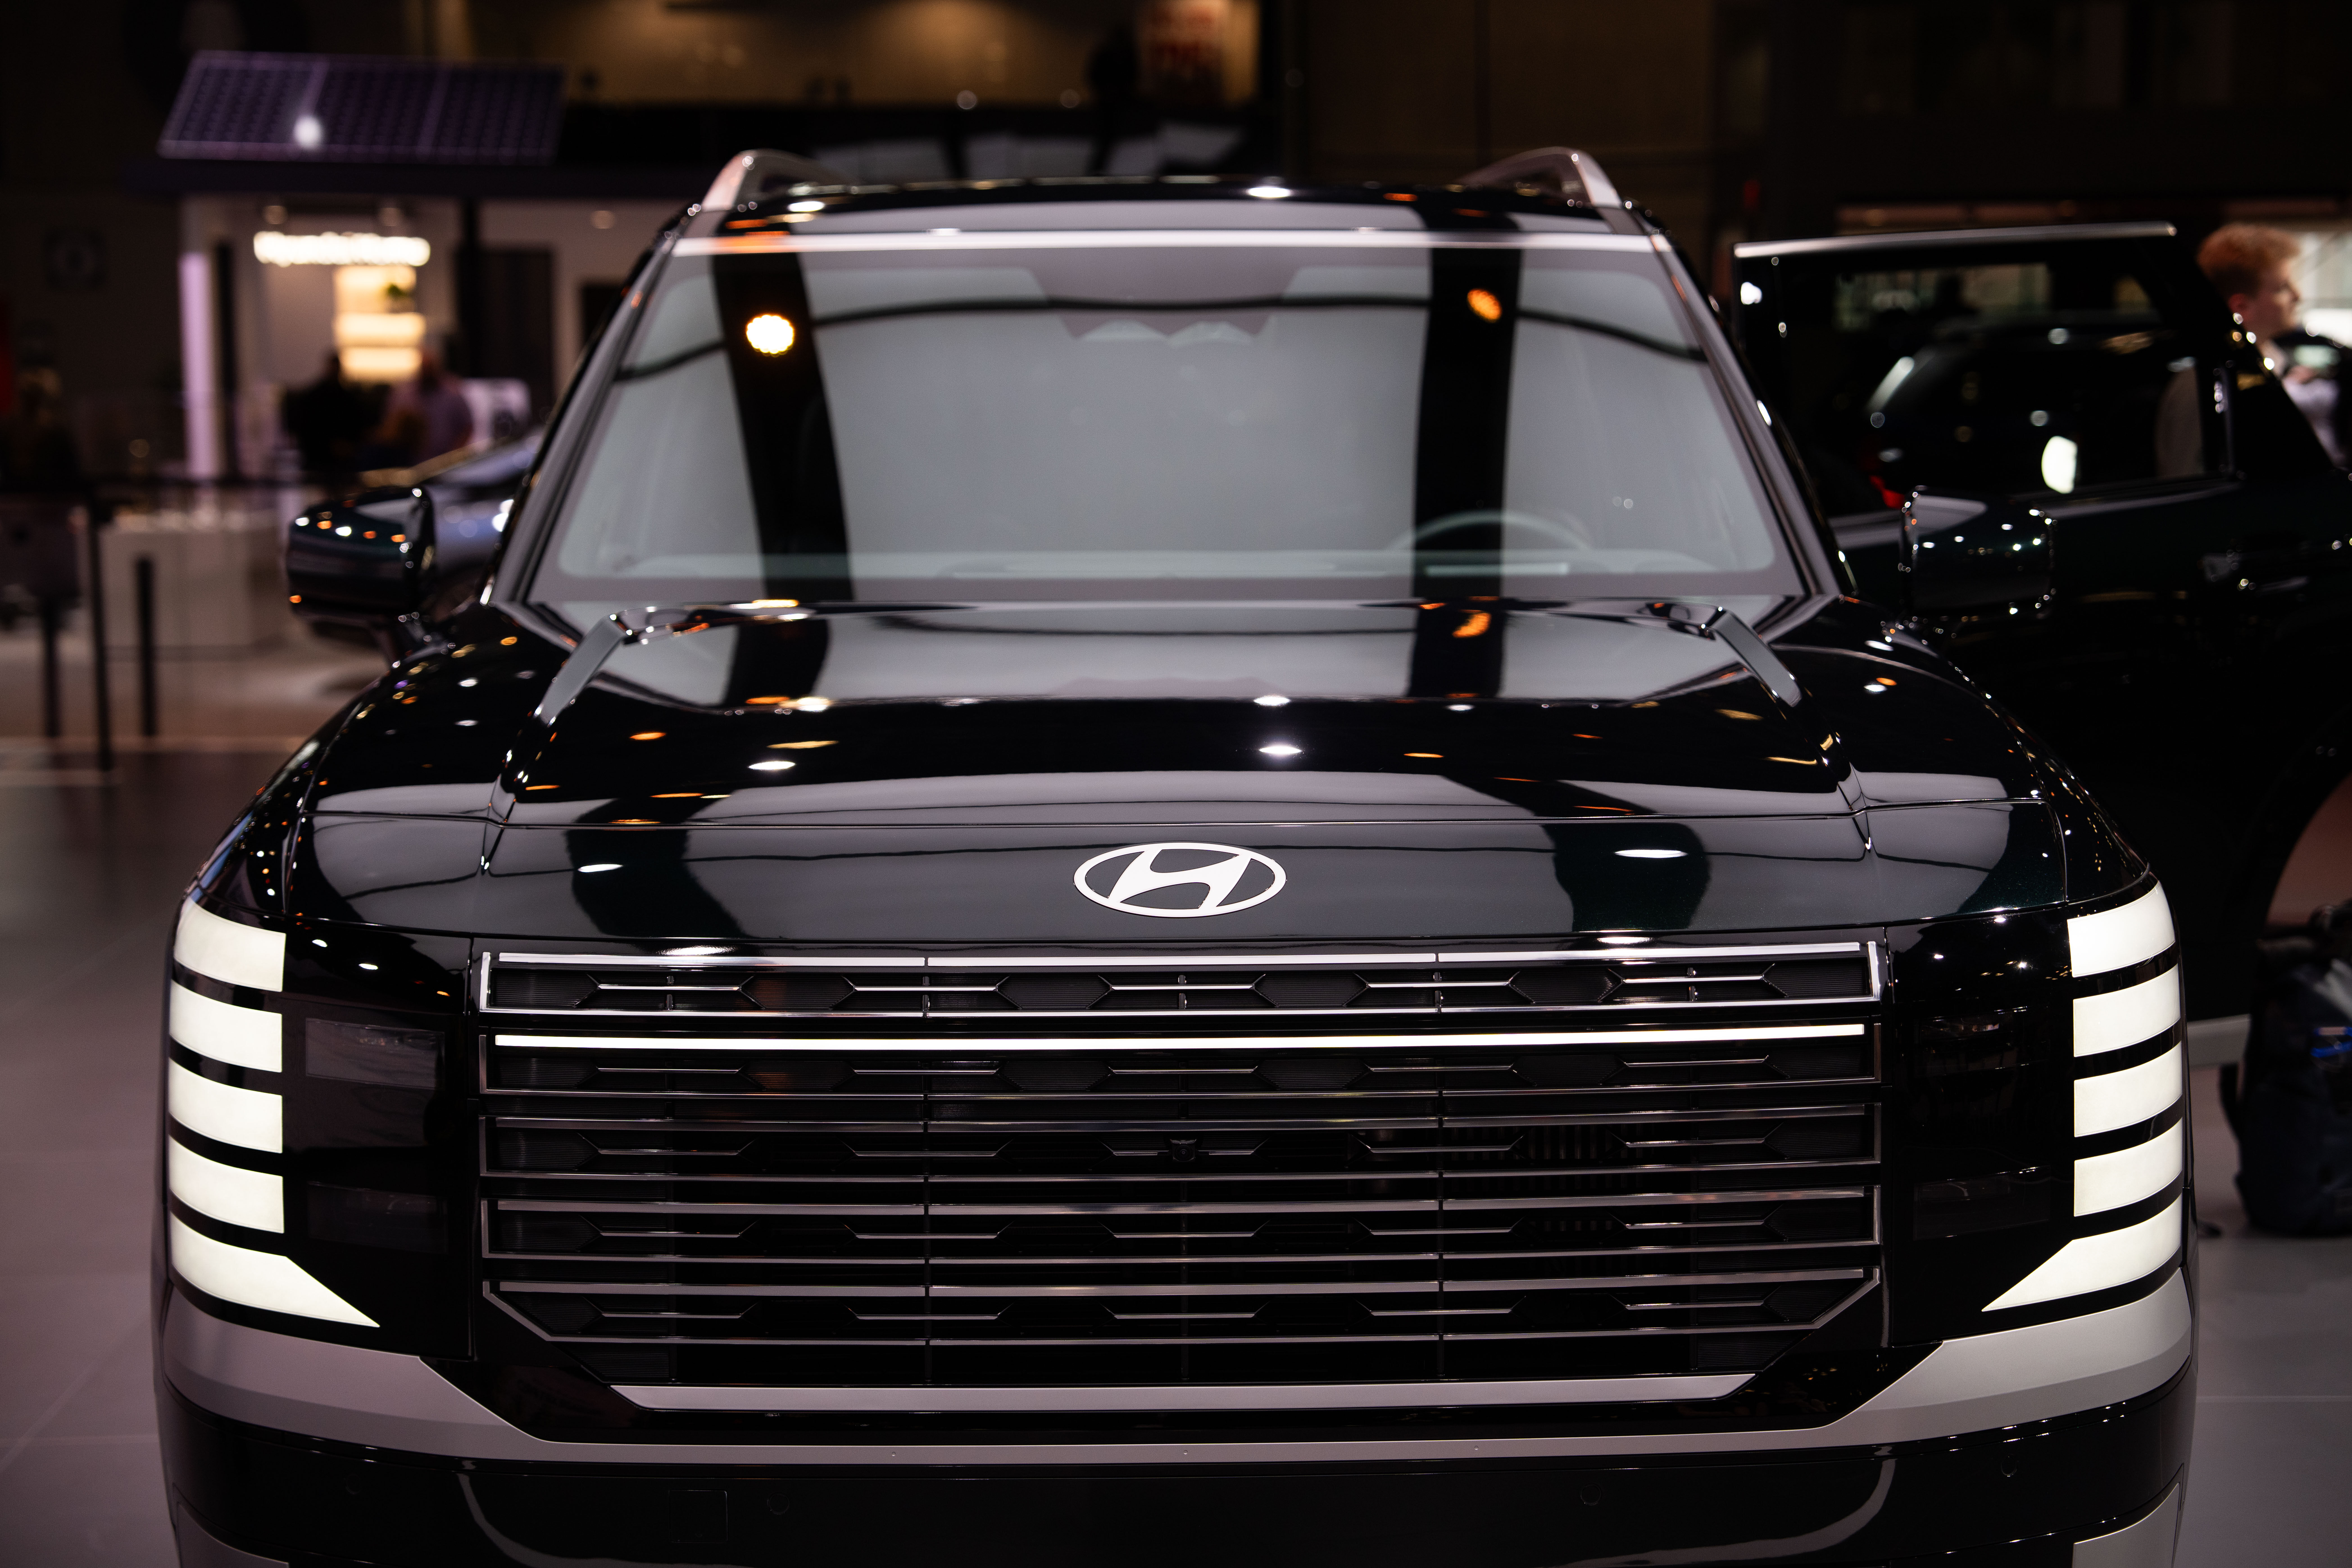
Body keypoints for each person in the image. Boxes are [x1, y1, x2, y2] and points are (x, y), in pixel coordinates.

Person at [2199, 223, 2344, 464]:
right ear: (2241, 307)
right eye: (2282, 287)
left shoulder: (2269, 360)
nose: (2297, 297)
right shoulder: (2212, 383)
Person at [280, 351, 376, 478]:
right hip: (320, 456)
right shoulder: (313, 398)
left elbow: (359, 428)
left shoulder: (348, 399)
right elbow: (306, 430)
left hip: (340, 459)